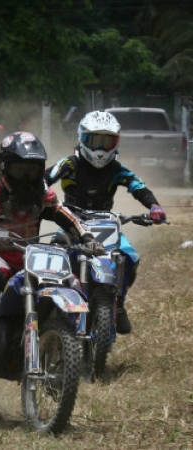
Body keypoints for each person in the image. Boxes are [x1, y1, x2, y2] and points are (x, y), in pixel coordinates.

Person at [0, 131, 96, 361]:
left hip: (32, 260)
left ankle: (73, 347)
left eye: (33, 169)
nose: (27, 177)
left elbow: (67, 216)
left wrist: (88, 237)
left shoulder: (44, 196)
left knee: (72, 281)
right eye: (20, 169)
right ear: (4, 167)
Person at [45, 110, 167, 334]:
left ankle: (118, 303)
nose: (100, 148)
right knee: (50, 259)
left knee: (130, 257)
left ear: (116, 143)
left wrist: (154, 206)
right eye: (94, 140)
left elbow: (138, 186)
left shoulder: (116, 170)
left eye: (107, 141)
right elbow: (45, 179)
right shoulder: (70, 164)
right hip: (71, 224)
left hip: (105, 226)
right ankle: (46, 308)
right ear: (82, 138)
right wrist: (39, 199)